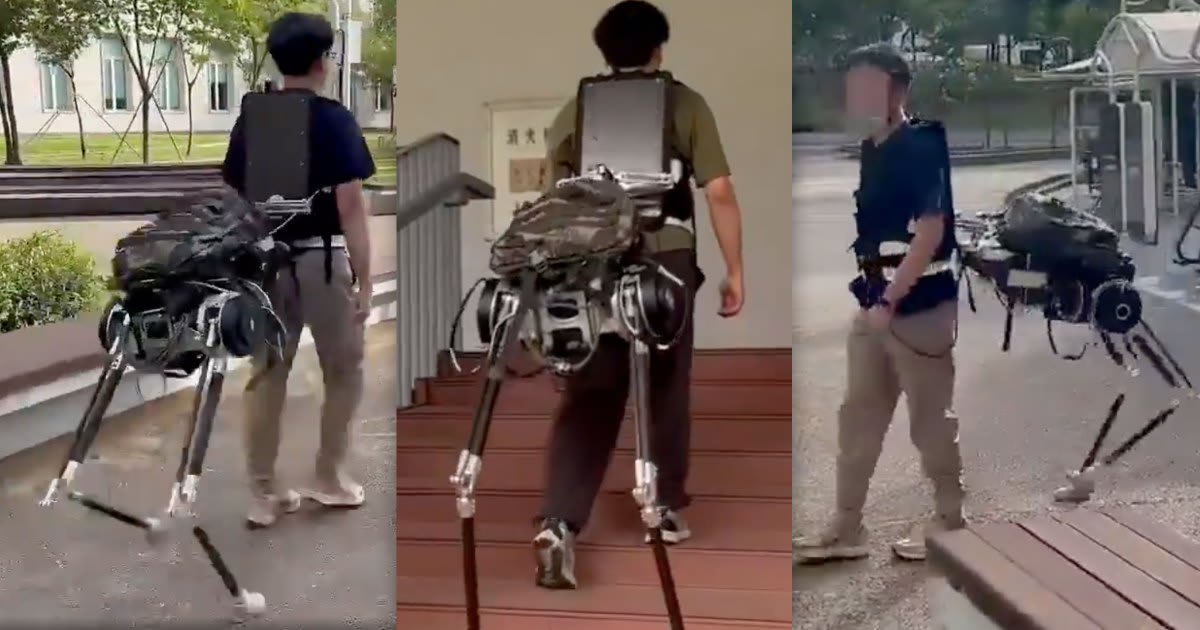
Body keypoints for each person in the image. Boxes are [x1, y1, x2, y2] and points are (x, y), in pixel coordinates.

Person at [531, 0, 746, 590]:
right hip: (666, 255)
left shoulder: (577, 108)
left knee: (590, 391)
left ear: (604, 53)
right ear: (659, 50)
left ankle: (559, 521)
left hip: (594, 258)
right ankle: (666, 506)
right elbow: (719, 190)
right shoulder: (684, 102)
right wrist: (735, 270)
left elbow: (557, 192)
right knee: (666, 381)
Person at [794, 43, 965, 564]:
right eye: (854, 86)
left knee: (930, 421)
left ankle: (951, 522)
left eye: (870, 85)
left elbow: (931, 232)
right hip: (874, 299)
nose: (859, 95)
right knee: (859, 417)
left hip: (920, 303)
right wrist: (878, 302)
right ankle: (847, 528)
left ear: (899, 89)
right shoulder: (872, 148)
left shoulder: (923, 144)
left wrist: (890, 300)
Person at [220, 11, 376, 528]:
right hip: (320, 262)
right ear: (322, 63)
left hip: (265, 265)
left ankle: (263, 495)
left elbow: (236, 196)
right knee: (345, 370)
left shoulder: (252, 118)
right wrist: (366, 279)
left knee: (267, 374)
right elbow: (351, 207)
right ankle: (328, 477)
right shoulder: (334, 120)